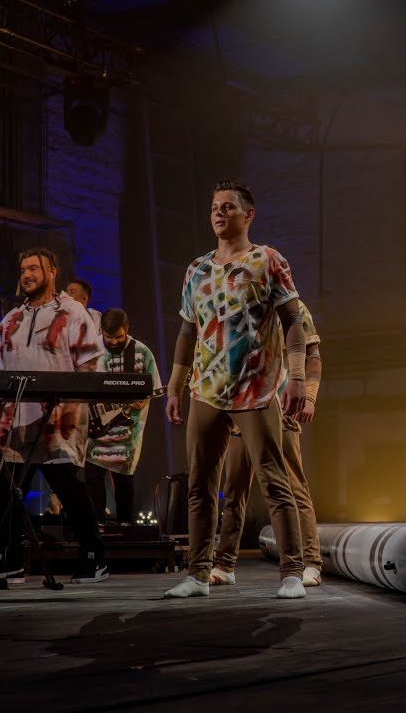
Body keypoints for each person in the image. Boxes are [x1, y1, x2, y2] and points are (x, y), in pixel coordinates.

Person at [163, 180, 309, 600]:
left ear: (249, 215)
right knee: (200, 484)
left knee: (273, 481)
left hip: (255, 389)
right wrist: (174, 387)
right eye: (214, 206)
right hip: (206, 390)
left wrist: (297, 378)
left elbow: (293, 321)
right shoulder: (197, 269)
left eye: (228, 206)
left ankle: (292, 572)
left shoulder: (267, 260)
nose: (219, 212)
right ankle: (198, 574)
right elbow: (187, 332)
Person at [0, 247, 108, 585]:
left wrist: (74, 411)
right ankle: (10, 560)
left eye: (34, 268)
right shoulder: (12, 318)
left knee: (69, 490)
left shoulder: (72, 312)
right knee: (7, 491)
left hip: (59, 420)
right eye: (23, 269)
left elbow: (88, 365)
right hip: (16, 421)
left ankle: (94, 556)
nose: (27, 274)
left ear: (52, 272)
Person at [211, 302, 325, 586]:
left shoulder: (293, 307)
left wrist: (309, 396)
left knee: (292, 487)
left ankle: (311, 562)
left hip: (279, 409)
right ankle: (224, 564)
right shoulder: (238, 302)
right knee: (233, 491)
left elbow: (313, 356)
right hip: (241, 410)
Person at [84, 308, 161, 525]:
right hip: (94, 426)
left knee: (124, 480)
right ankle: (96, 526)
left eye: (119, 337)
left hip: (126, 430)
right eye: (109, 337)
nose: (114, 342)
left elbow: (154, 387)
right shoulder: (91, 350)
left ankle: (126, 528)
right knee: (93, 477)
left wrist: (142, 400)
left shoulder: (141, 352)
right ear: (101, 331)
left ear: (127, 329)